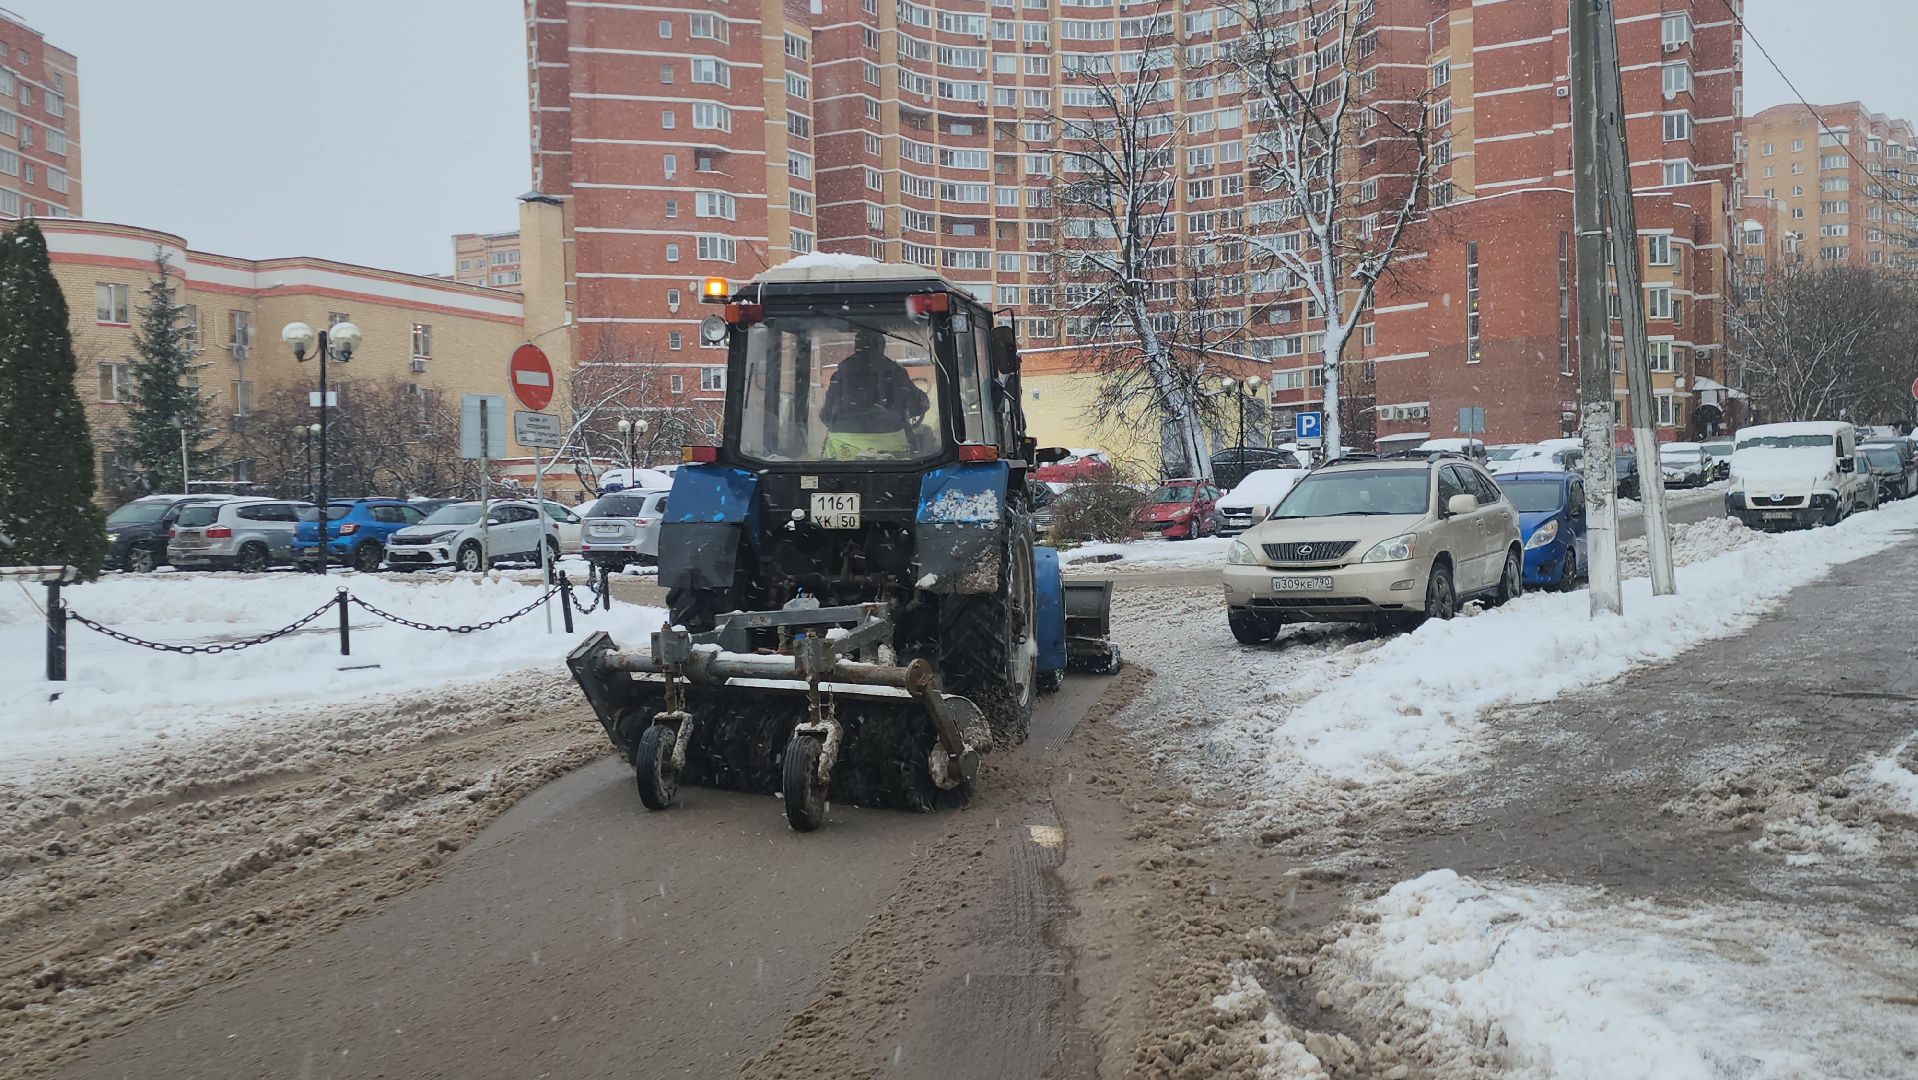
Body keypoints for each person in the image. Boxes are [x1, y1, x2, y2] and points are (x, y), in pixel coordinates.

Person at [819, 328, 929, 458]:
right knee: (920, 450)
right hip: (890, 438)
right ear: (882, 347)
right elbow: (918, 404)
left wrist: (846, 423)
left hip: (842, 443)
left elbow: (826, 414)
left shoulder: (840, 375)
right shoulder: (896, 373)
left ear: (856, 347)